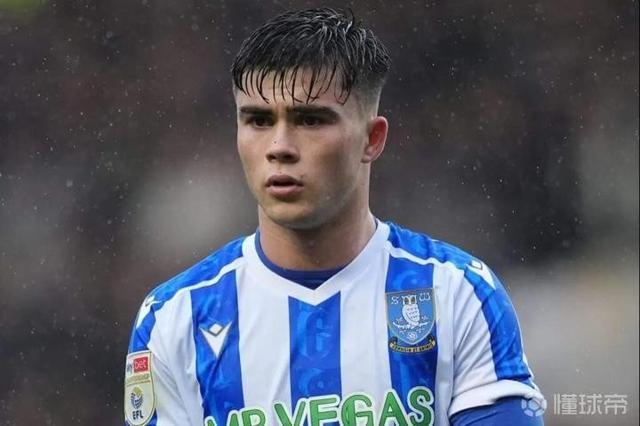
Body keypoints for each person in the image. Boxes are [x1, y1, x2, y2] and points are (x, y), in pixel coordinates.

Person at [124, 8, 545, 426]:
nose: (279, 146)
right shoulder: (176, 318)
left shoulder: (457, 294)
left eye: (310, 120)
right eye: (258, 120)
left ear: (372, 139)